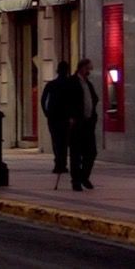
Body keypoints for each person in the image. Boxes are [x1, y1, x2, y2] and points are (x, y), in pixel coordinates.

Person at [67, 59, 100, 191]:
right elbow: (66, 101)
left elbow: (94, 99)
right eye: (88, 69)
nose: (89, 71)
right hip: (76, 123)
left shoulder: (88, 84)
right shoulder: (72, 82)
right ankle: (76, 181)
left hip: (88, 123)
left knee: (91, 152)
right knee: (76, 153)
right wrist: (70, 117)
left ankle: (83, 176)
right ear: (81, 68)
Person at [40, 61, 72, 175]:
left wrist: (46, 112)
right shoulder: (70, 84)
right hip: (65, 117)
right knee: (64, 141)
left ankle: (58, 162)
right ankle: (62, 163)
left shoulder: (51, 84)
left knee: (56, 140)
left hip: (53, 117)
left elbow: (43, 100)